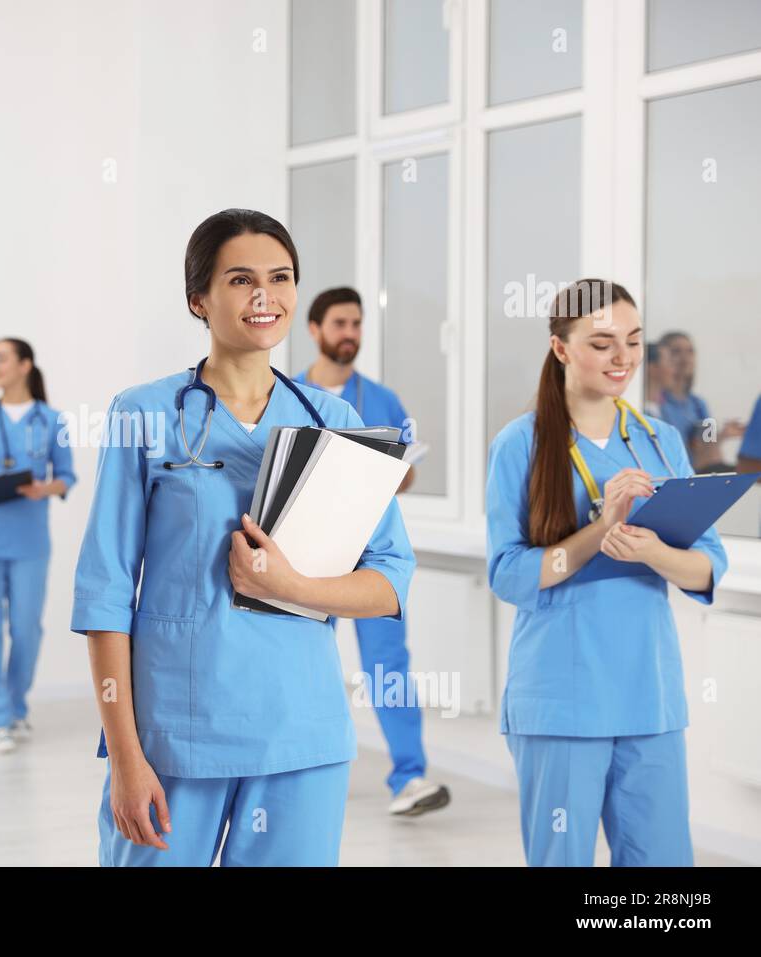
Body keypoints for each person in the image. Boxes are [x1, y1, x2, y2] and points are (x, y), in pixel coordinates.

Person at [73, 209, 415, 866]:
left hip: (302, 733)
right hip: (177, 733)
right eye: (240, 279)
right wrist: (123, 755)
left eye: (281, 277)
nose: (266, 295)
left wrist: (289, 586)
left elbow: (389, 580)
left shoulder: (335, 422)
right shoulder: (142, 414)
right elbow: (104, 592)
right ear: (198, 298)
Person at [486, 279, 728, 867]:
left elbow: (707, 567)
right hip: (564, 699)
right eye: (601, 343)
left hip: (650, 697)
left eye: (633, 341)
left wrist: (649, 551)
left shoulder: (659, 439)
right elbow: (510, 575)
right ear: (561, 348)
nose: (622, 358)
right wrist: (603, 528)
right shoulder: (520, 445)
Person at [295, 285, 449, 816]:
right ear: (314, 330)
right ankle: (295, 765)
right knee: (299, 659)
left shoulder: (382, 401)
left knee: (388, 666)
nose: (350, 334)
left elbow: (404, 478)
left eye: (357, 324)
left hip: (370, 554)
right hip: (306, 555)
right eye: (340, 324)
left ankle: (410, 777)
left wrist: (392, 474)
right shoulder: (285, 395)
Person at [0, 339, 75, 754]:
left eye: (1, 358)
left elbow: (66, 475)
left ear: (25, 365)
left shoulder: (52, 420)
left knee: (26, 628)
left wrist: (46, 488)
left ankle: (15, 703)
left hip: (30, 541)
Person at [656, 331, 745, 470]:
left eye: (690, 352)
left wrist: (723, 435)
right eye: (676, 352)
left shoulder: (698, 404)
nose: (685, 358)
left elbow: (708, 446)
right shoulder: (657, 403)